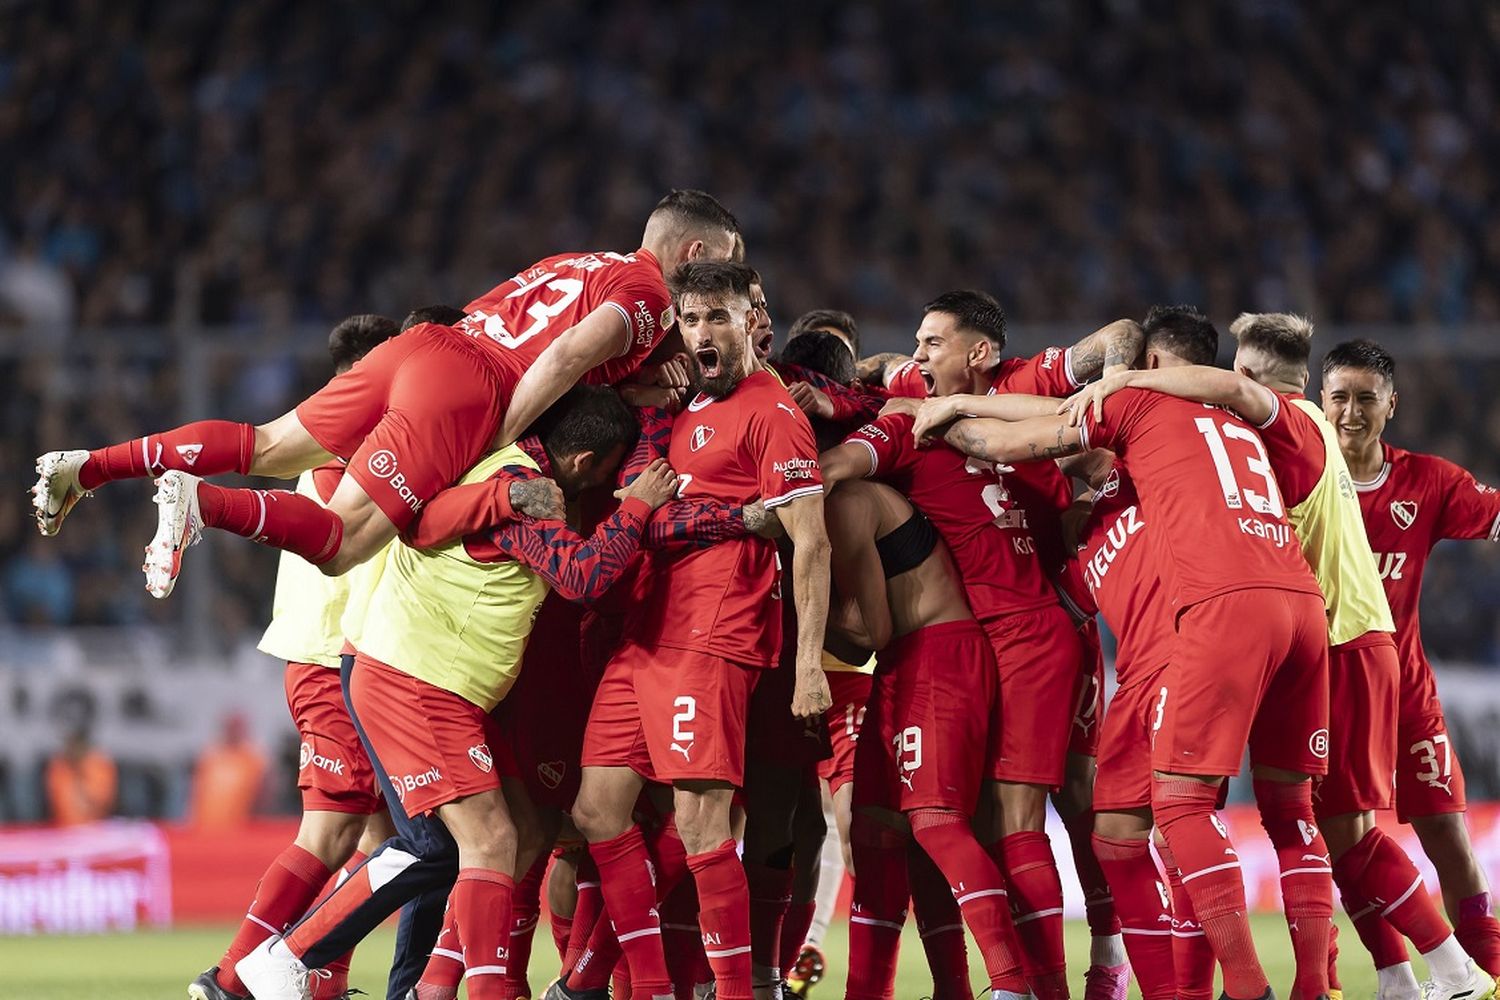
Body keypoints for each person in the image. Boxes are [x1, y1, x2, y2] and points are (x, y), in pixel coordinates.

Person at [1066, 313, 1493, 1000]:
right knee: (1306, 818)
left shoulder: (1276, 431)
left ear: (1250, 380)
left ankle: (1455, 969)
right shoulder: (1290, 435)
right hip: (1339, 639)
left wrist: (1117, 390)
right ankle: (1387, 982)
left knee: (1338, 831)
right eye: (1340, 395)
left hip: (1342, 642)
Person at [31, 190, 739, 596]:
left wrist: (638, 380)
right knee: (342, 542)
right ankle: (201, 504)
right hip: (470, 389)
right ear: (694, 255)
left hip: (426, 347)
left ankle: (86, 467)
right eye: (725, 267)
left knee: (271, 446)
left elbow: (566, 345)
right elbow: (564, 354)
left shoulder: (582, 260)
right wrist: (497, 432)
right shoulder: (649, 291)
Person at [931, 305, 1331, 1000]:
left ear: (1144, 370)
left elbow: (1029, 436)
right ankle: (1293, 988)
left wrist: (948, 409)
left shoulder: (1140, 411)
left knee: (1180, 811)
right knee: (1123, 829)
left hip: (1205, 621)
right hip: (1295, 606)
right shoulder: (1262, 433)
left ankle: (1246, 989)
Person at [234, 385, 679, 1000]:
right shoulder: (525, 497)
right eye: (607, 473)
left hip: (422, 678)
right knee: (485, 840)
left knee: (481, 839)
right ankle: (287, 957)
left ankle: (371, 973)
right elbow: (584, 575)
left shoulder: (496, 467)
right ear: (584, 464)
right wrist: (636, 507)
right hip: (417, 680)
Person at [566, 261, 832, 1000]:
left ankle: (736, 992)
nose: (704, 332)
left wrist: (808, 667)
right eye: (691, 319)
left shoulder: (772, 414)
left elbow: (810, 541)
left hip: (713, 635)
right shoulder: (684, 410)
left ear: (753, 320)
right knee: (596, 809)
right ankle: (649, 987)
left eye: (719, 316)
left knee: (702, 823)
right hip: (649, 635)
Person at [191, 313, 403, 1000]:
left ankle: (322, 978)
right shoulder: (347, 446)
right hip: (328, 660)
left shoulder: (325, 438)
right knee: (331, 834)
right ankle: (231, 977)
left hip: (354, 660)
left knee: (378, 836)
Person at [1324, 338, 1500, 989]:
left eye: (1365, 398)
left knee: (1450, 844)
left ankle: (1488, 974)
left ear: (1390, 404)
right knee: (1345, 845)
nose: (1350, 411)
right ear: (1321, 400)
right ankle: (1393, 975)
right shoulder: (1293, 481)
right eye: (1338, 396)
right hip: (1330, 697)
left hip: (1405, 694)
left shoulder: (1424, 481)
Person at [827, 478, 1029, 1000]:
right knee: (874, 836)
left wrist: (799, 621)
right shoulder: (837, 508)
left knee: (935, 823)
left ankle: (1011, 985)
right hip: (900, 667)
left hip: (937, 656)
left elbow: (872, 634)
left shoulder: (848, 502)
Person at [189, 713, 269, 832]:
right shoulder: (210, 756)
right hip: (205, 826)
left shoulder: (252, 758)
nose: (233, 732)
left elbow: (262, 795)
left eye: (236, 728)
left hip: (237, 829)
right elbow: (197, 791)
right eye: (230, 727)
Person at [44, 726, 116, 826]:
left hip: (95, 827)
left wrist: (80, 774)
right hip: (64, 828)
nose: (71, 749)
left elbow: (100, 803)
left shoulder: (99, 764)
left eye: (75, 744)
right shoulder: (59, 766)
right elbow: (58, 802)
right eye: (69, 744)